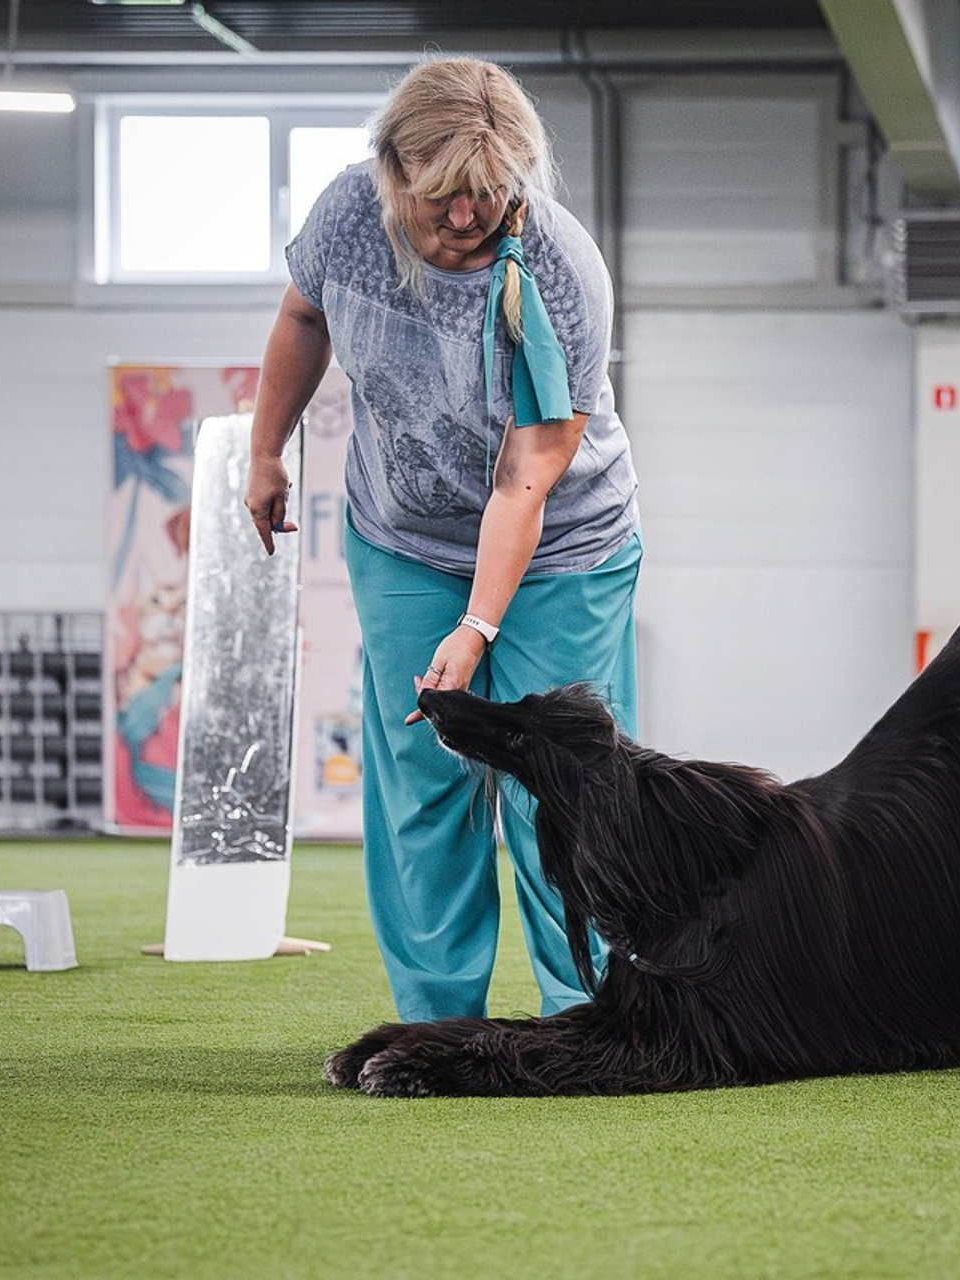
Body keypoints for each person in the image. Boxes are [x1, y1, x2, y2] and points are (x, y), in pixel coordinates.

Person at [244, 57, 641, 1022]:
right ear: (391, 172)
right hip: (404, 538)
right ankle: (438, 1025)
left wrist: (477, 628)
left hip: (564, 548)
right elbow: (304, 314)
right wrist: (266, 452)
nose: (465, 218)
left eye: (488, 196)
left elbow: (526, 479)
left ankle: (589, 1018)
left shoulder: (561, 267)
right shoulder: (345, 218)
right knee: (425, 773)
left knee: (563, 780)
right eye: (441, 198)